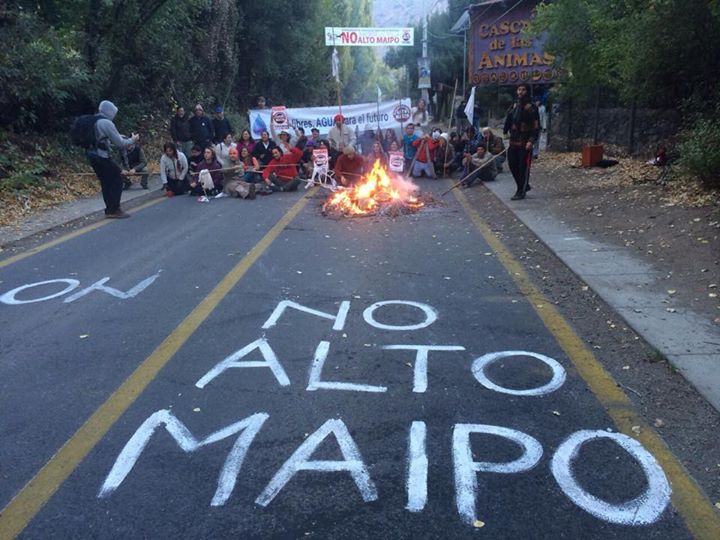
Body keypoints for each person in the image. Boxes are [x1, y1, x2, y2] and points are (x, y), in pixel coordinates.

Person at [85, 100, 139, 218]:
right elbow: (120, 143)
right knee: (118, 178)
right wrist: (132, 140)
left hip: (92, 155)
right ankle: (114, 209)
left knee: (106, 182)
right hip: (102, 156)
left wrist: (124, 138)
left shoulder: (95, 120)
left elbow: (111, 137)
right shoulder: (106, 123)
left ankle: (110, 209)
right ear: (110, 112)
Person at [503, 83, 540, 200]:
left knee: (523, 167)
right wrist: (505, 131)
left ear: (527, 92)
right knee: (512, 165)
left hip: (525, 143)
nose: (520, 92)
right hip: (513, 142)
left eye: (523, 90)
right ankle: (524, 185)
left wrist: (531, 140)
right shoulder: (514, 106)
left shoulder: (532, 108)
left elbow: (536, 126)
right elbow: (508, 120)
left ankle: (520, 191)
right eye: (519, 90)